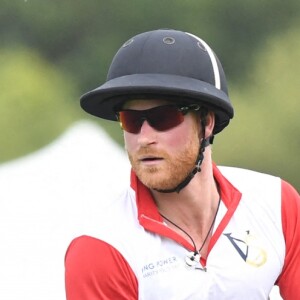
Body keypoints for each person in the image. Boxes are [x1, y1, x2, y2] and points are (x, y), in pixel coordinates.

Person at [65, 29, 300, 299]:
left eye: (163, 118)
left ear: (207, 123)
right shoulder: (101, 247)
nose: (143, 138)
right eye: (130, 120)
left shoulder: (277, 202)